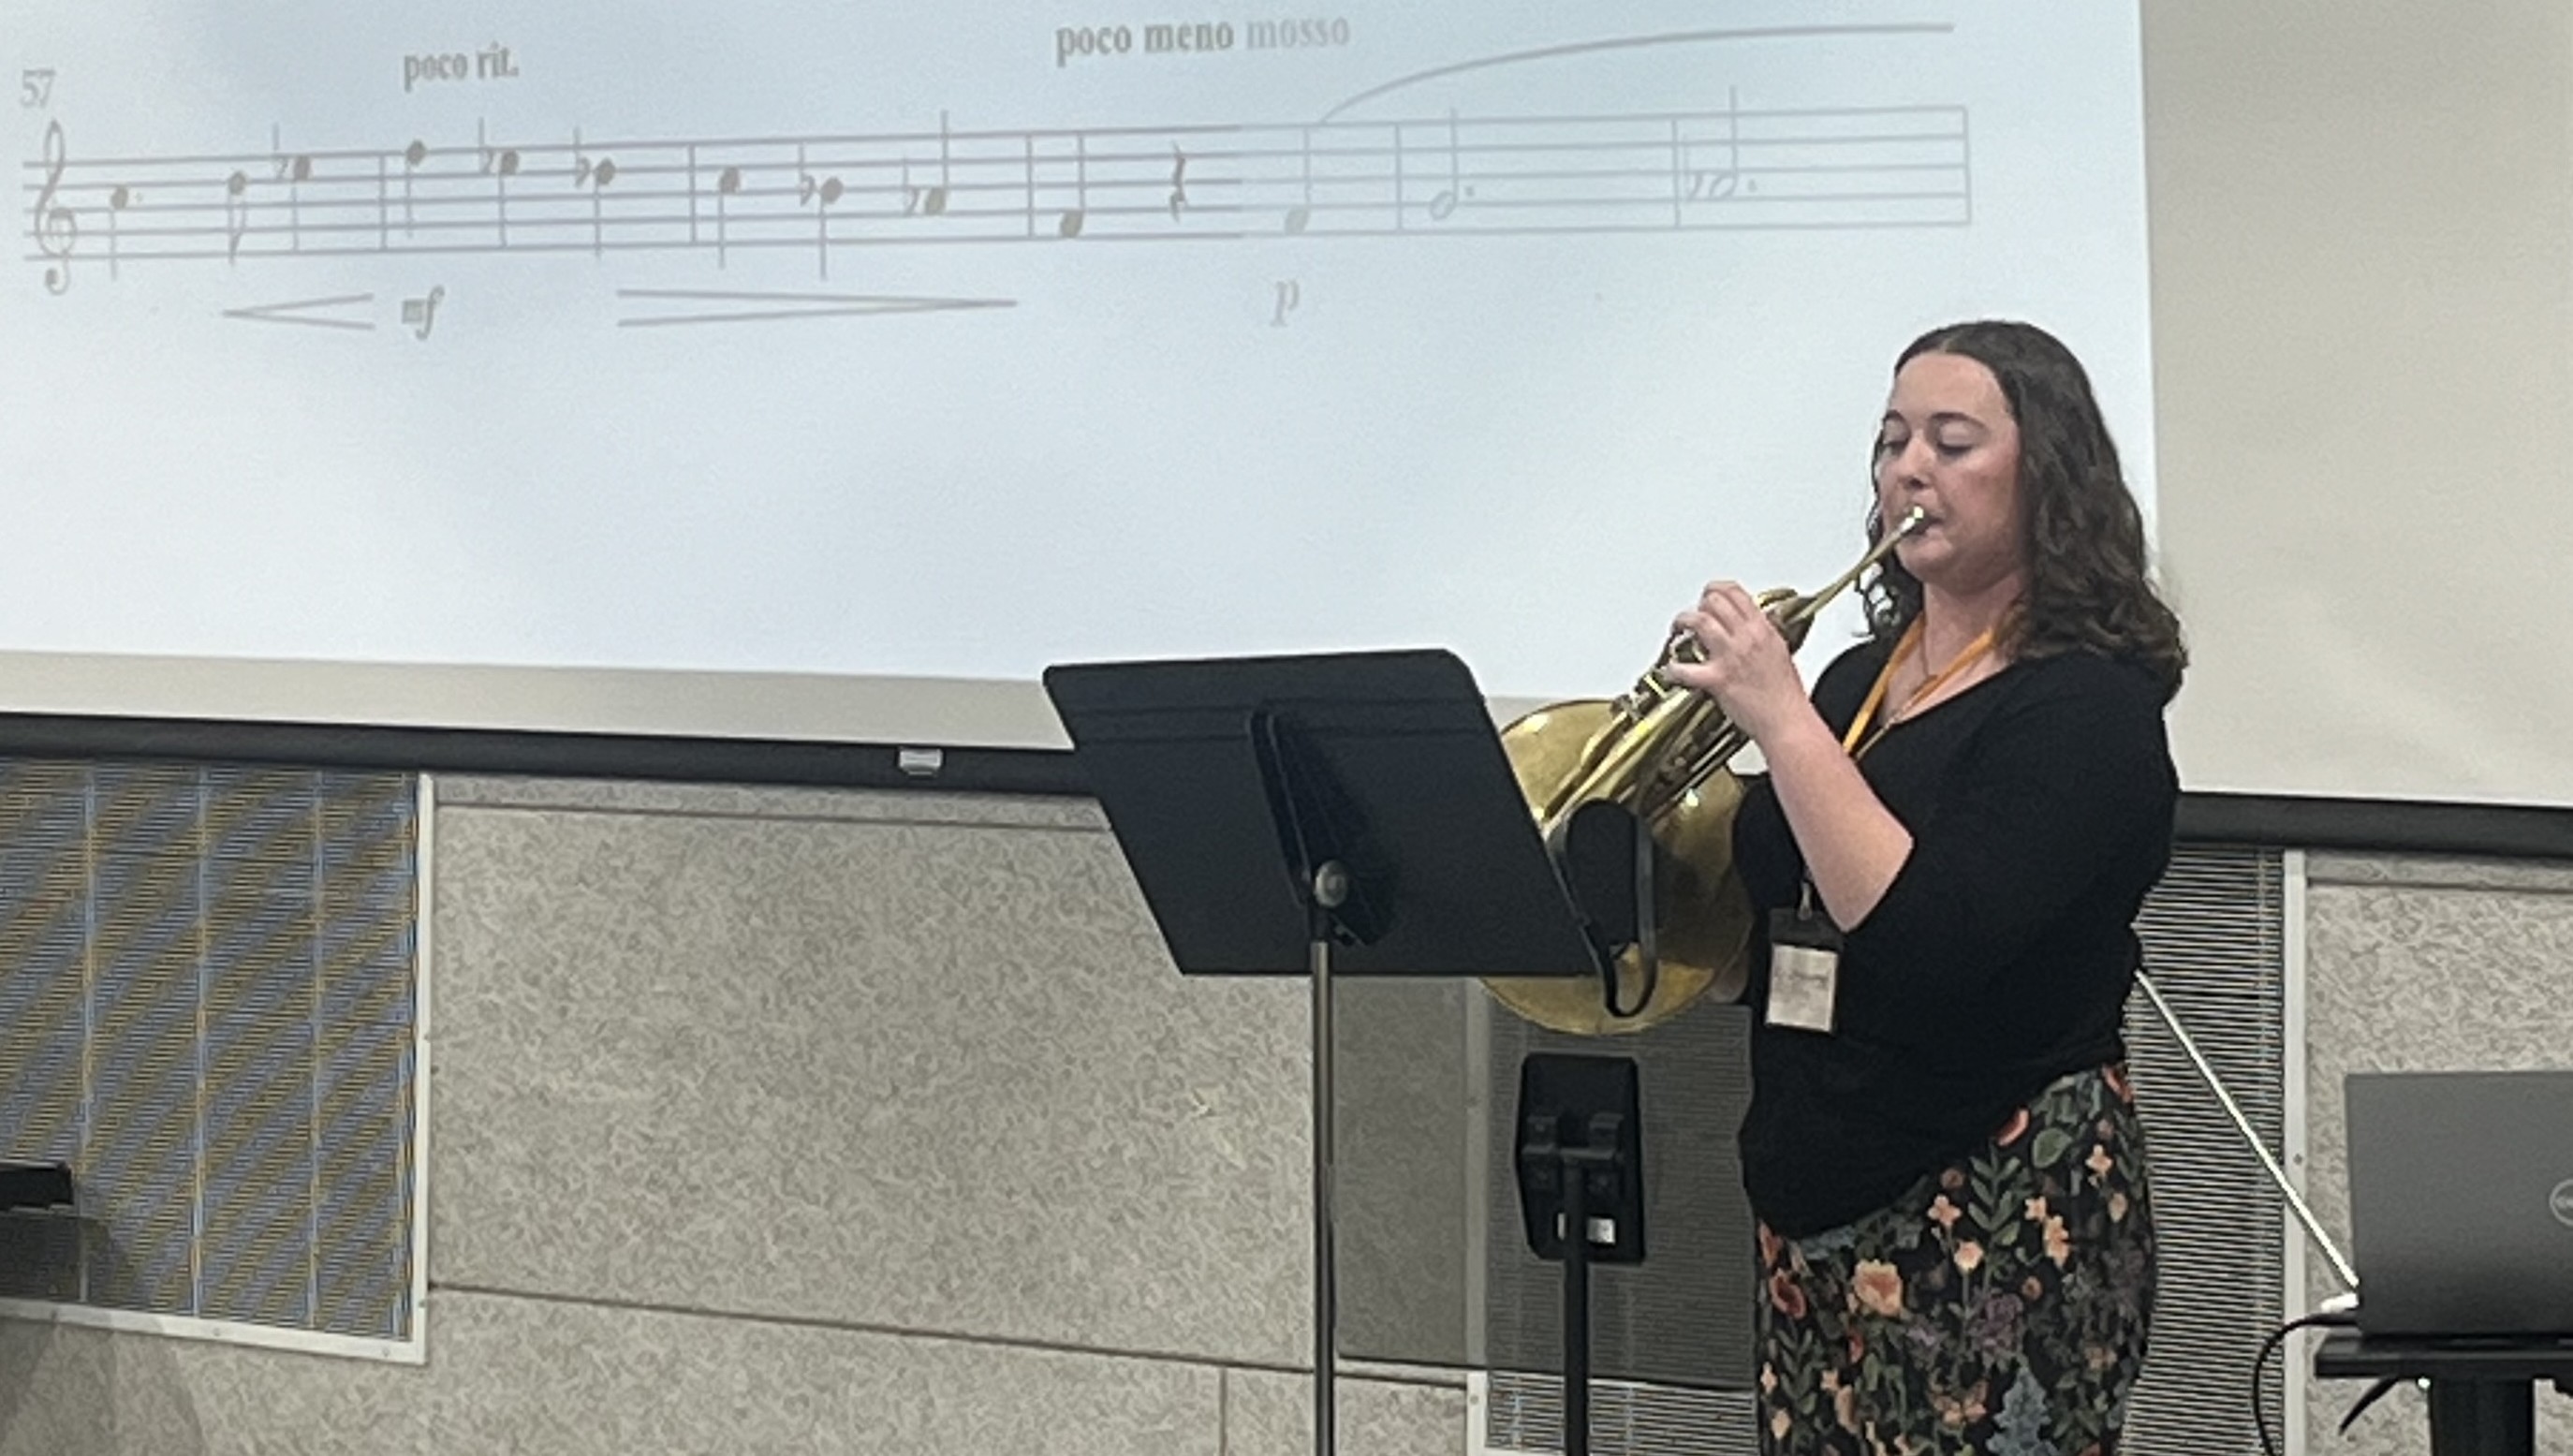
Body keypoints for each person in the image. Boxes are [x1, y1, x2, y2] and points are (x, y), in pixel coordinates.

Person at [1664, 318, 2184, 1456]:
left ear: (2047, 474)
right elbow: (1771, 918)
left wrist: (1782, 721)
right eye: (1894, 439)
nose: (1911, 467)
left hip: (1996, 1203)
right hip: (1815, 1202)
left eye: (1953, 442)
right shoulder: (1859, 678)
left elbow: (1923, 938)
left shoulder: (2088, 707)